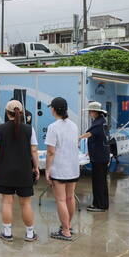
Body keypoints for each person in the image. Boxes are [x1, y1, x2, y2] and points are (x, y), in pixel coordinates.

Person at [0, 100, 40, 243]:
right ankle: (30, 234)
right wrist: (36, 167)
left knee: (7, 202)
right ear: (22, 112)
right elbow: (34, 150)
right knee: (26, 203)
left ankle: (7, 233)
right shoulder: (29, 129)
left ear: (7, 113)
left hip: (5, 170)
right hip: (24, 171)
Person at [45, 97, 80, 241]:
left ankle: (65, 231)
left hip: (59, 168)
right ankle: (68, 225)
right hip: (73, 167)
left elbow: (50, 152)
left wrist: (47, 170)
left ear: (53, 109)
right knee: (70, 197)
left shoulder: (53, 127)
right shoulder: (74, 125)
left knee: (60, 200)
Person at [79, 101, 110, 212]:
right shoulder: (101, 121)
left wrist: (78, 138)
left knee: (98, 182)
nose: (89, 114)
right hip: (101, 155)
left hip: (99, 158)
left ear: (95, 112)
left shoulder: (99, 123)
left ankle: (100, 205)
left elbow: (90, 134)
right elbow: (99, 139)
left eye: (90, 112)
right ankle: (102, 204)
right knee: (101, 182)